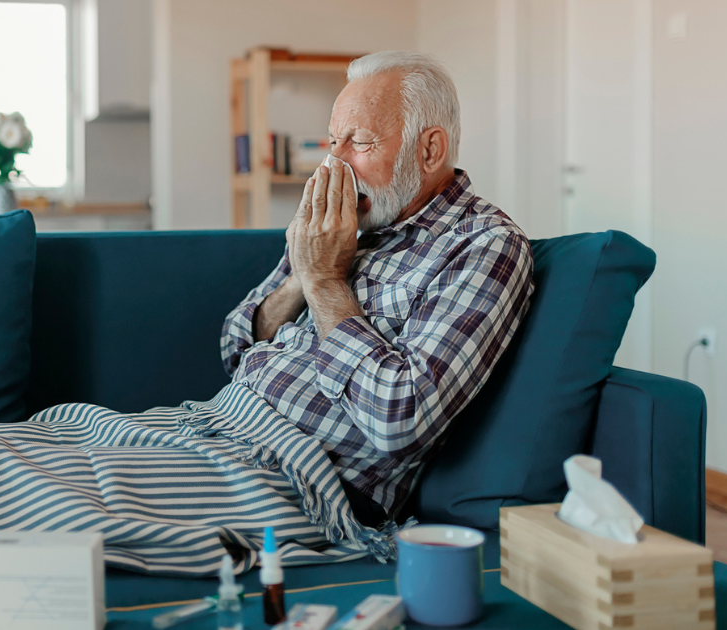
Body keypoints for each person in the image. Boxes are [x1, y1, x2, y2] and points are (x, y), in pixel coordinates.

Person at [221, 51, 535, 527]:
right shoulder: (338, 224)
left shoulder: (484, 245)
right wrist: (302, 275)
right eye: (332, 142)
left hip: (290, 477)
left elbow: (402, 419)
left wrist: (326, 283)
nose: (334, 164)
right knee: (62, 434)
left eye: (360, 143)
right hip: (215, 425)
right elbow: (233, 347)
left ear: (430, 150)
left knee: (66, 510)